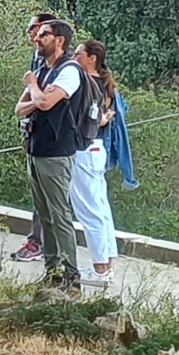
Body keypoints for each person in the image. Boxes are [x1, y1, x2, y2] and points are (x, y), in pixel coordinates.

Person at [17, 18, 82, 292]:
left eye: (44, 34)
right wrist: (38, 95)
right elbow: (20, 109)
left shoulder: (69, 71)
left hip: (56, 152)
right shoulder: (44, 71)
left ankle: (71, 276)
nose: (36, 38)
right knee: (45, 215)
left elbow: (44, 102)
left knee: (60, 214)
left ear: (60, 40)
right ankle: (52, 272)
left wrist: (33, 84)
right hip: (35, 148)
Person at [69, 39, 119, 284]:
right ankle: (106, 262)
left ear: (92, 58)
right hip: (97, 150)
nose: (74, 56)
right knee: (100, 207)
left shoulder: (88, 84)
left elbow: (93, 118)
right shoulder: (104, 85)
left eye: (78, 53)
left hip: (85, 150)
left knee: (89, 211)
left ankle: (100, 268)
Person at [10, 11, 59, 262]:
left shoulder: (57, 65)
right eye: (30, 29)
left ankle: (43, 244)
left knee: (55, 198)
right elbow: (25, 104)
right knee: (40, 193)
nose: (32, 34)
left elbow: (42, 100)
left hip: (57, 142)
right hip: (34, 133)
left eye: (36, 29)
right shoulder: (38, 60)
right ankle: (39, 241)